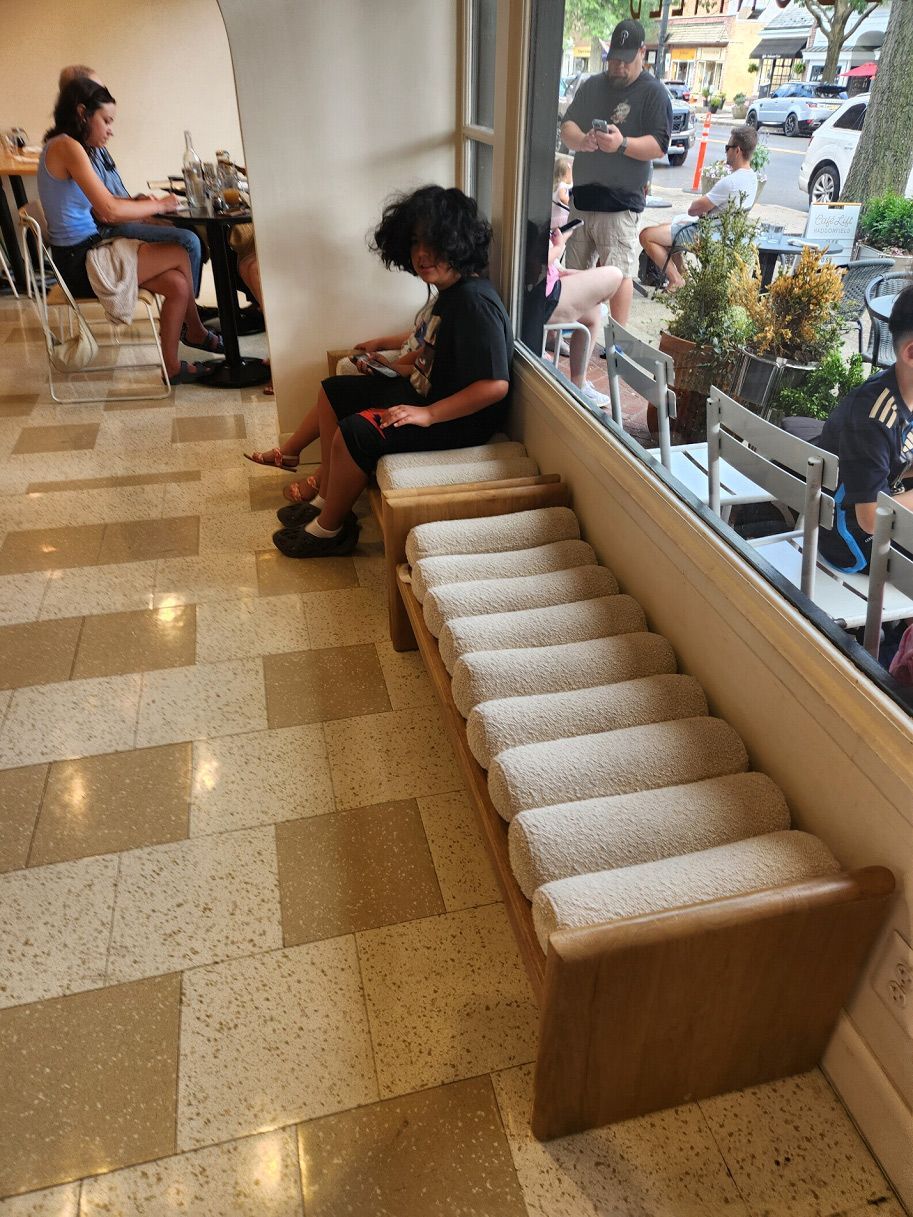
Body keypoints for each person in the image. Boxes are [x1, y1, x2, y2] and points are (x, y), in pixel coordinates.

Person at [244, 185, 512, 559]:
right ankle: (326, 498)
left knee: (357, 432)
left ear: (459, 242)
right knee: (334, 390)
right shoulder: (451, 293)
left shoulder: (475, 302)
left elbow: (495, 385)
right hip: (429, 396)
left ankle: (330, 531)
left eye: (433, 243)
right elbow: (438, 349)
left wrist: (427, 414)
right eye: (415, 242)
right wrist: (400, 369)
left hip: (459, 420)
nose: (421, 254)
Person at [39, 77, 216, 383]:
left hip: (88, 249)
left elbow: (101, 205)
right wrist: (159, 205)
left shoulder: (67, 146)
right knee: (181, 251)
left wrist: (138, 203)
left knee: (177, 283)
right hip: (78, 262)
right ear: (82, 112)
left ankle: (172, 365)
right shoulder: (68, 147)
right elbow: (108, 211)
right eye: (106, 120)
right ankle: (196, 332)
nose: (111, 129)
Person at [56, 65, 209, 313]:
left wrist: (137, 202)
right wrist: (151, 208)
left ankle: (188, 311)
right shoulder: (75, 147)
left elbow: (107, 197)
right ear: (79, 101)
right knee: (188, 241)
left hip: (111, 222)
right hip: (102, 235)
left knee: (189, 231)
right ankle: (191, 316)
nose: (103, 96)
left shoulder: (92, 141)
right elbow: (105, 212)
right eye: (97, 91)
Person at [559, 19, 671, 326]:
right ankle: (575, 332)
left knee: (620, 273)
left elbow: (659, 146)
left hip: (620, 204)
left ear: (642, 53)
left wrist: (622, 144)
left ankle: (616, 343)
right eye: (614, 60)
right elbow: (567, 125)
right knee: (575, 273)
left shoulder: (653, 93)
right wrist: (581, 140)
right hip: (582, 200)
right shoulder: (593, 85)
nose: (618, 67)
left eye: (625, 60)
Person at [817, 286, 913, 573]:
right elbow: (871, 518)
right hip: (854, 541)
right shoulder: (875, 416)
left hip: (887, 511)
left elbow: (899, 460)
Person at [639, 125, 758, 292]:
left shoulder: (730, 182)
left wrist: (702, 209)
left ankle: (677, 280)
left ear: (737, 151)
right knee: (665, 229)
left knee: (647, 235)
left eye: (727, 148)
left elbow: (693, 209)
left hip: (707, 235)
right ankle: (683, 278)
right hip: (727, 234)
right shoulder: (753, 179)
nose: (726, 152)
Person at [521, 220, 621, 408]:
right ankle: (576, 382)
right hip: (540, 297)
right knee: (615, 274)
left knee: (594, 312)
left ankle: (578, 383)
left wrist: (560, 270)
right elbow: (535, 265)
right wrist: (559, 246)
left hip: (545, 285)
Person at [551, 156, 573, 229]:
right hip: (561, 218)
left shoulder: (555, 185)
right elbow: (562, 197)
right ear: (566, 174)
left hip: (555, 217)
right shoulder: (562, 185)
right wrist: (570, 202)